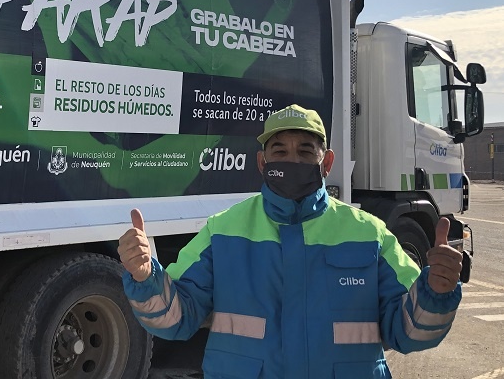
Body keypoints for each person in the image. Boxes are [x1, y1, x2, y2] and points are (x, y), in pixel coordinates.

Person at [118, 103, 463, 379]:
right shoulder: (222, 231)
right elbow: (178, 316)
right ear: (262, 162)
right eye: (279, 151)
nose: (292, 160)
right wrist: (145, 279)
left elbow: (407, 329)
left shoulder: (369, 234)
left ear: (326, 162)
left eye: (305, 151)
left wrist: (436, 292)